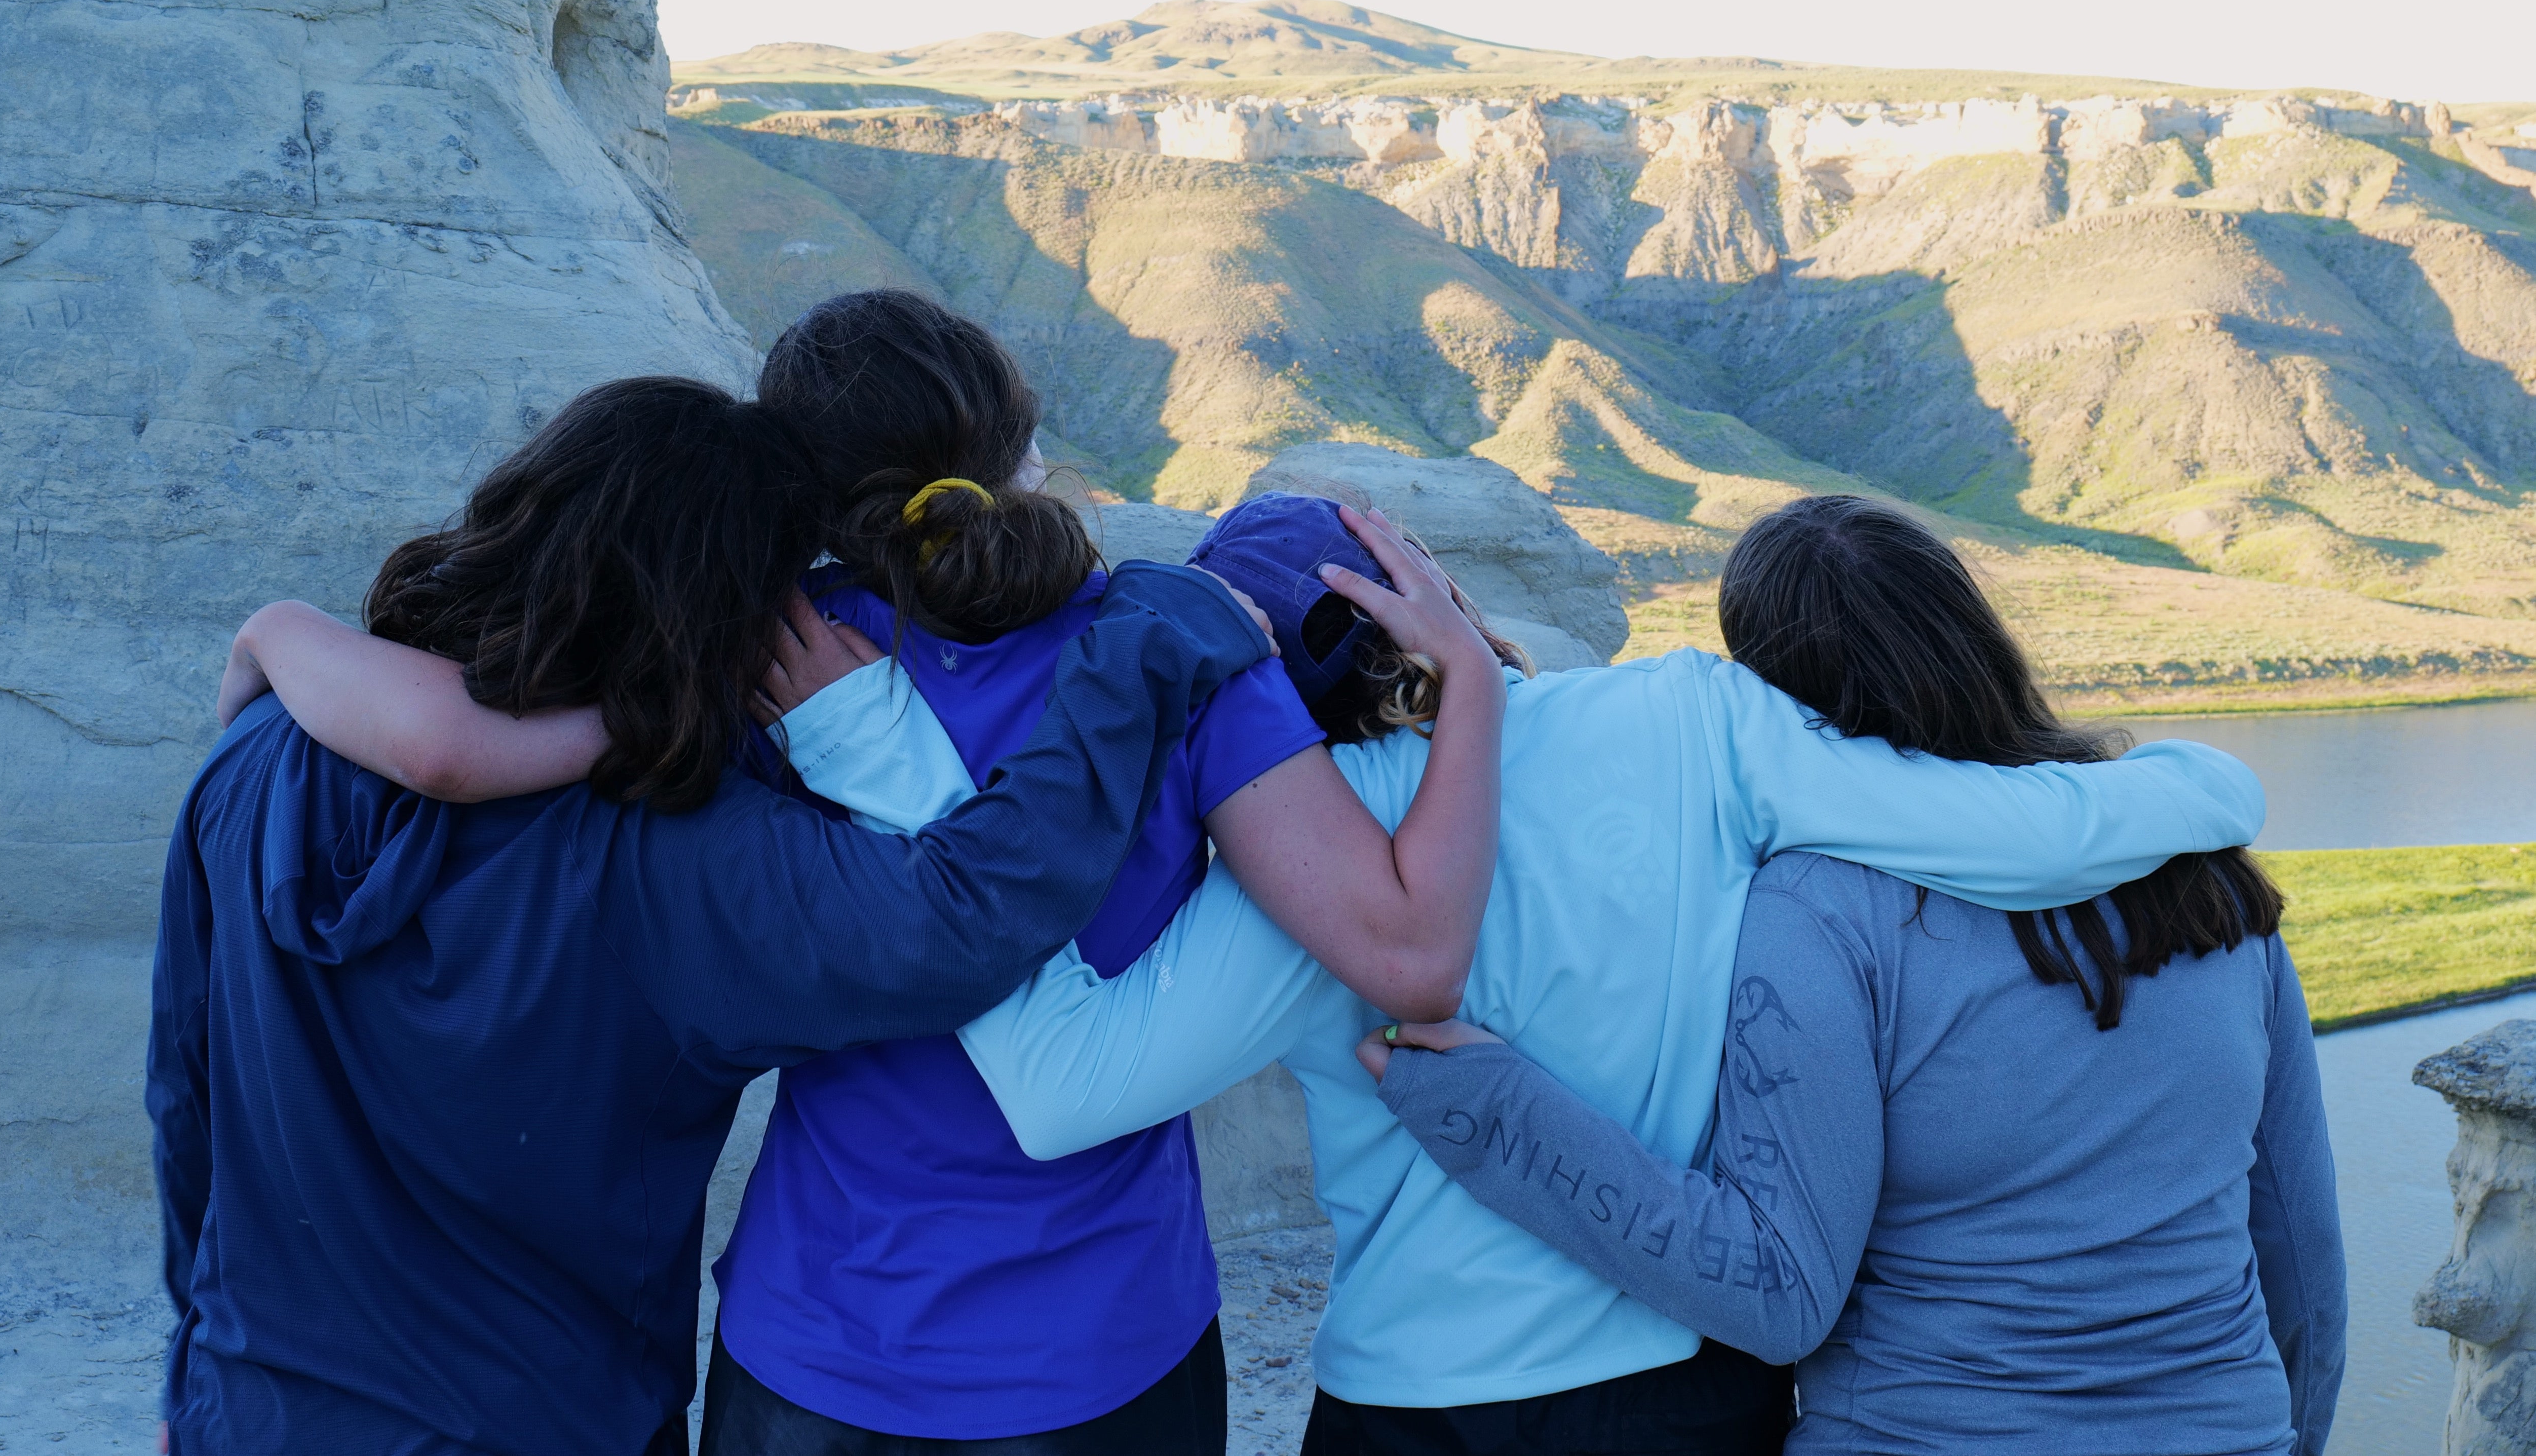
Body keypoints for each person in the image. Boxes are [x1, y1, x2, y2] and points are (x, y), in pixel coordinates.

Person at [225, 293, 1511, 1455]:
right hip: (1102, 1343)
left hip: (817, 1343)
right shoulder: (1173, 653)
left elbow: (457, 748)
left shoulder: (737, 668)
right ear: (1012, 454)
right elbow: (1404, 955)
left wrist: (280, 633)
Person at [773, 496, 2271, 1456]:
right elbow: (2020, 826)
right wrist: (2209, 784)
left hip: (1410, 1412)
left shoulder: (1304, 868)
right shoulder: (1694, 722)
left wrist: (897, 779)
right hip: (1680, 1396)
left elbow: (1057, 1089)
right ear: (1423, 590)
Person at [1366, 496, 2348, 1455]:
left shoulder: (1819, 913)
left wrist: (1489, 1110)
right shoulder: (2202, 873)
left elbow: (1777, 1293)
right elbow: (2302, 1260)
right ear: (1975, 634)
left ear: (1775, 699)